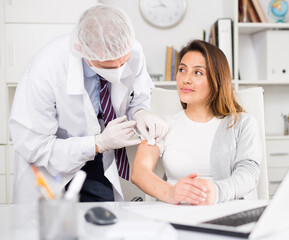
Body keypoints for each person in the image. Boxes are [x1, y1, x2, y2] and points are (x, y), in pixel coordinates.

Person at [9, 5, 168, 203]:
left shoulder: (131, 49)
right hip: (49, 167)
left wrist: (141, 113)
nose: (118, 70)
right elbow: (34, 147)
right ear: (81, 49)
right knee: (53, 228)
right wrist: (97, 143)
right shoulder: (46, 68)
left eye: (123, 62)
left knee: (102, 223)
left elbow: (138, 95)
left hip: (97, 158)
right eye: (108, 65)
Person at [131, 40, 261, 205]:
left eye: (198, 72)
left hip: (226, 212)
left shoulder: (243, 124)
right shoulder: (162, 125)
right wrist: (171, 193)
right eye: (182, 70)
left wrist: (216, 192)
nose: (186, 79)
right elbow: (139, 172)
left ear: (217, 79)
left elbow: (249, 173)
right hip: (175, 216)